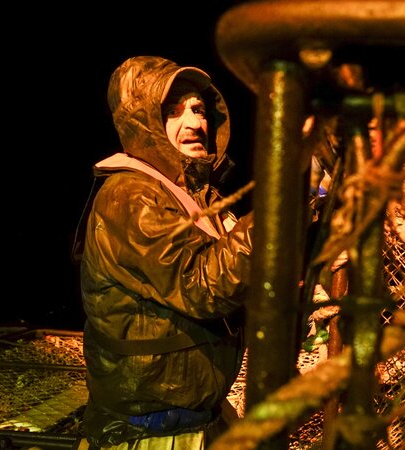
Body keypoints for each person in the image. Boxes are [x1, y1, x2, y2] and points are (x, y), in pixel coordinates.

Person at [75, 56, 254, 450]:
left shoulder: (195, 194)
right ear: (143, 123)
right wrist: (276, 216)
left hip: (200, 418)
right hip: (149, 434)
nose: (194, 123)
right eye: (173, 113)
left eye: (198, 110)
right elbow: (203, 285)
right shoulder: (131, 196)